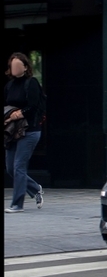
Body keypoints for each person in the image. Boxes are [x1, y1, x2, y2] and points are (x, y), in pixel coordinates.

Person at [4, 52, 45, 213]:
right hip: (12, 131)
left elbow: (33, 106)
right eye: (12, 65)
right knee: (10, 168)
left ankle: (17, 204)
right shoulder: (9, 86)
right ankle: (35, 188)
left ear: (25, 67)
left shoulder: (31, 83)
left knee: (19, 166)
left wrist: (19, 113)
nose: (15, 68)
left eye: (18, 65)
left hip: (29, 131)